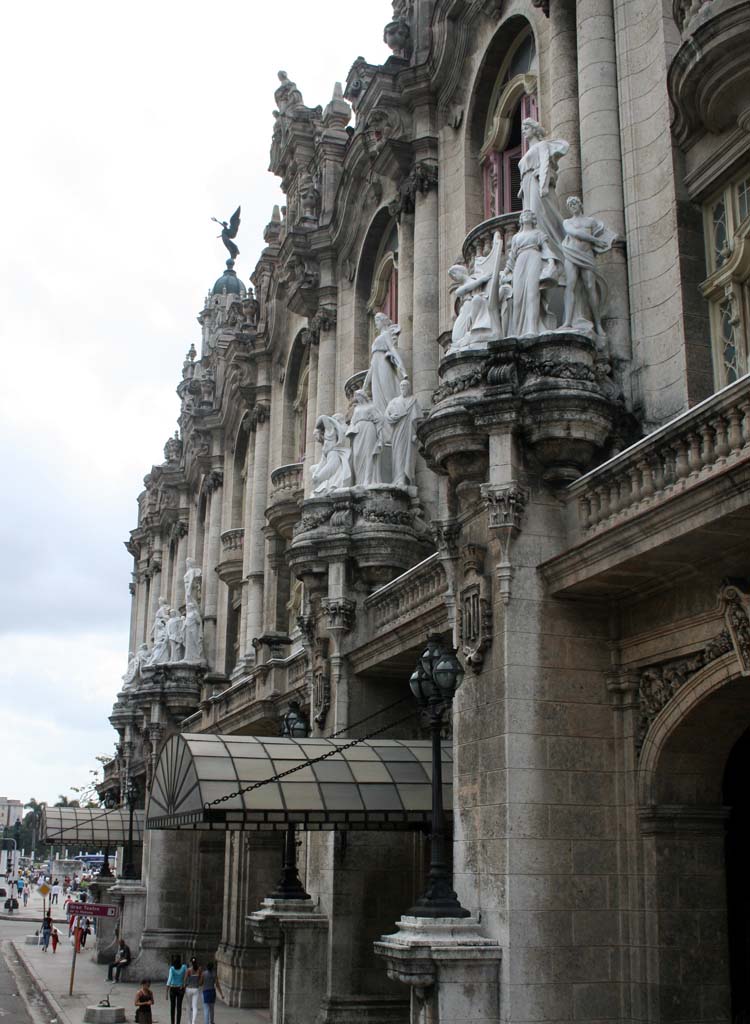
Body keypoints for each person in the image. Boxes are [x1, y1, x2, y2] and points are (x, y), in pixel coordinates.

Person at [503, 210, 560, 338]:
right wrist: (506, 272)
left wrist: (551, 263)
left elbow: (546, 249)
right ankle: (517, 331)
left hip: (534, 258)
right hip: (520, 261)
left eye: (528, 214)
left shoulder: (538, 234)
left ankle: (532, 328)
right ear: (521, 220)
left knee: (532, 294)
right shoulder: (516, 237)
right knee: (517, 297)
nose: (526, 215)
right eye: (523, 215)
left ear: (533, 218)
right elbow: (511, 257)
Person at [166, 954, 187, 1024]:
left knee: (172, 1007)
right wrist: (184, 985)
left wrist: (166, 992)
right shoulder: (184, 967)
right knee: (179, 1007)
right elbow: (186, 977)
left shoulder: (172, 969)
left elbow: (169, 980)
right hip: (180, 989)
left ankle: (172, 1022)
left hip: (173, 988)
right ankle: (178, 1022)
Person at [184, 957, 203, 1024]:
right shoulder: (199, 970)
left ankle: (189, 1022)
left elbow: (185, 980)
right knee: (195, 1006)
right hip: (196, 989)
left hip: (188, 989)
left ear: (190, 963)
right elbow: (201, 982)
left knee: (188, 1006)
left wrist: (184, 986)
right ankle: (193, 1022)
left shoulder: (188, 970)